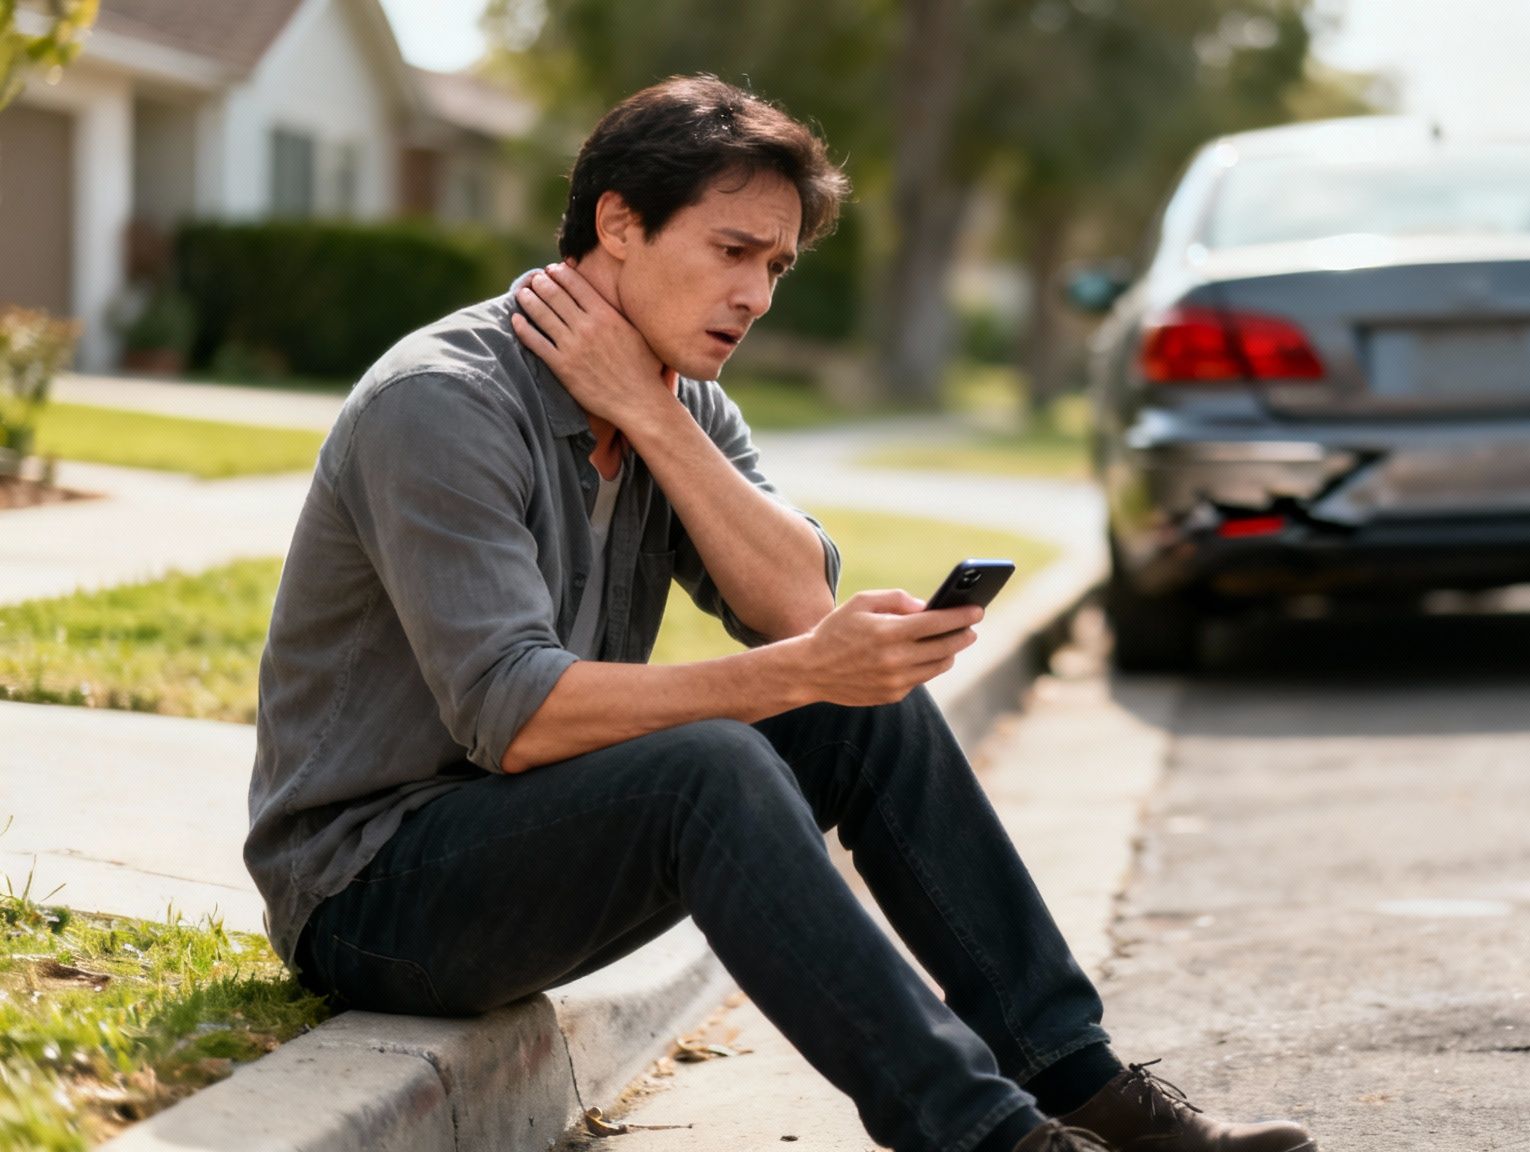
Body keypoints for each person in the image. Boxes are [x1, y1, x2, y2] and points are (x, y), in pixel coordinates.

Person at [245, 73, 1316, 1152]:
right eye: (730, 250)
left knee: (860, 707)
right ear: (617, 222)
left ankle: (1076, 1080)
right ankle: (982, 1137)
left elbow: (796, 606)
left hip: (532, 852)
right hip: (374, 894)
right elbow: (514, 717)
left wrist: (655, 425)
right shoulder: (442, 401)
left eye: (775, 265)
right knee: (712, 761)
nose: (756, 295)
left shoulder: (676, 395)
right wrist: (802, 666)